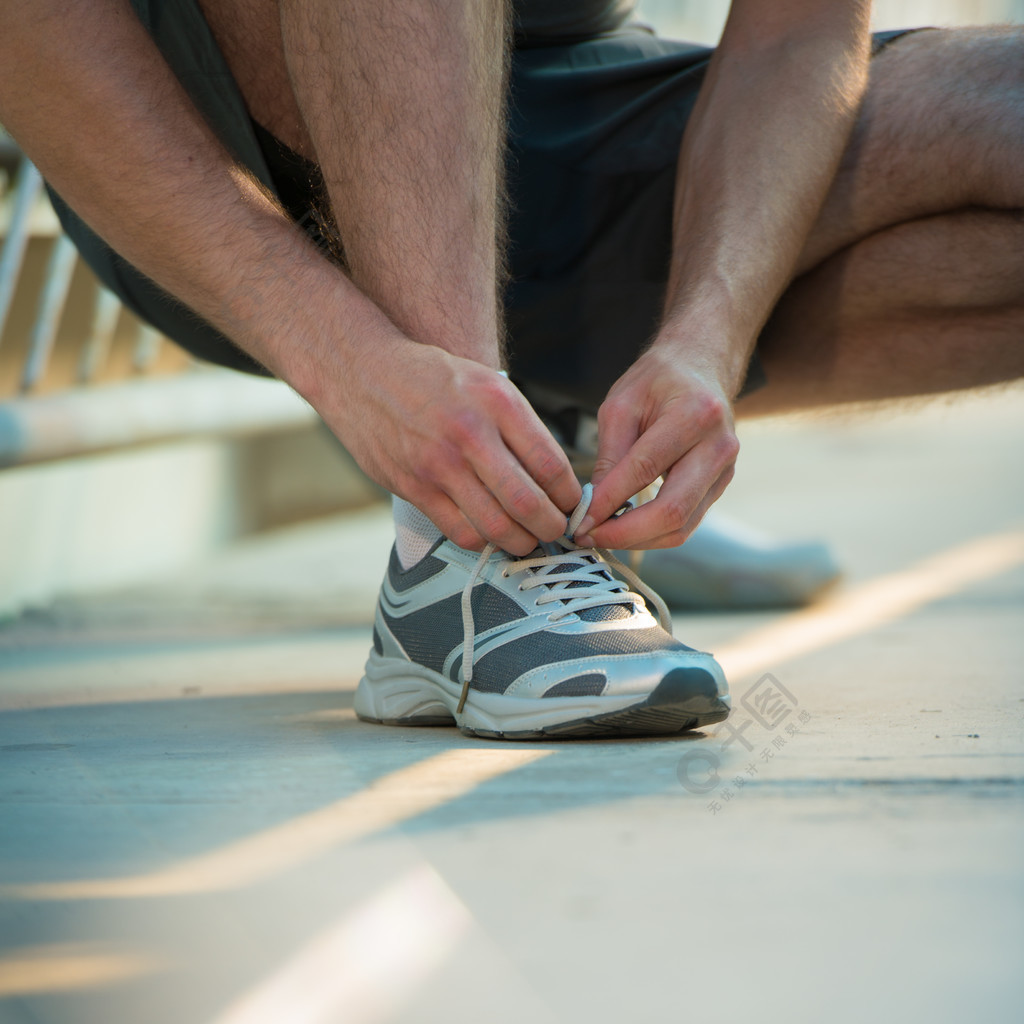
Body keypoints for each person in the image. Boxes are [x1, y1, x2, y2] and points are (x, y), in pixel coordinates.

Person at [1, 1, 1020, 738]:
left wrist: (704, 335)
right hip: (235, 170)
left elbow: (795, 30)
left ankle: (556, 465)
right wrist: (342, 356)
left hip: (572, 113)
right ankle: (463, 543)